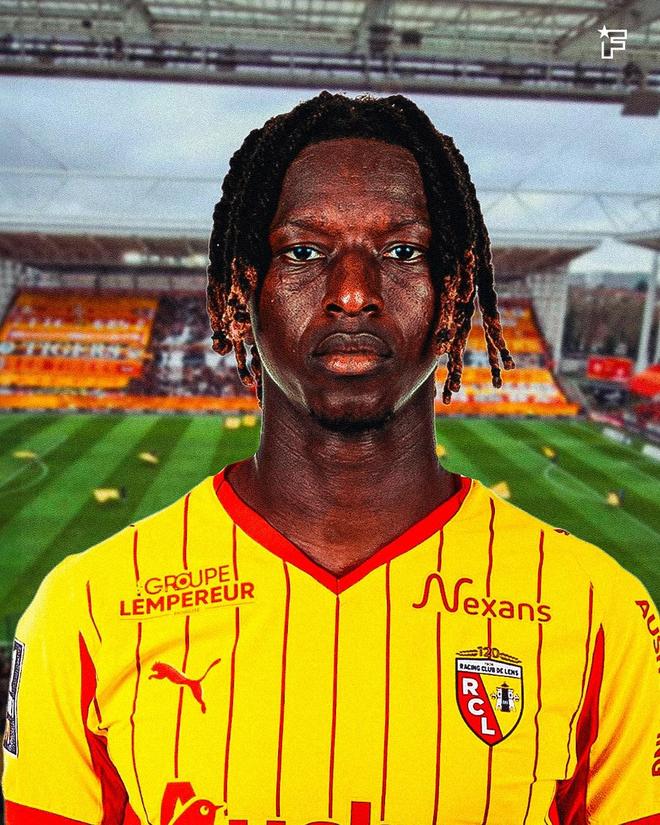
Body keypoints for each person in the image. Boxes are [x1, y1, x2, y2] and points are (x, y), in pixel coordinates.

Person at [3, 92, 658, 825]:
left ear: (454, 295)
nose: (352, 293)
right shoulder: (87, 611)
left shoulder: (598, 613)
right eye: (304, 252)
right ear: (237, 294)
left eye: (402, 252)